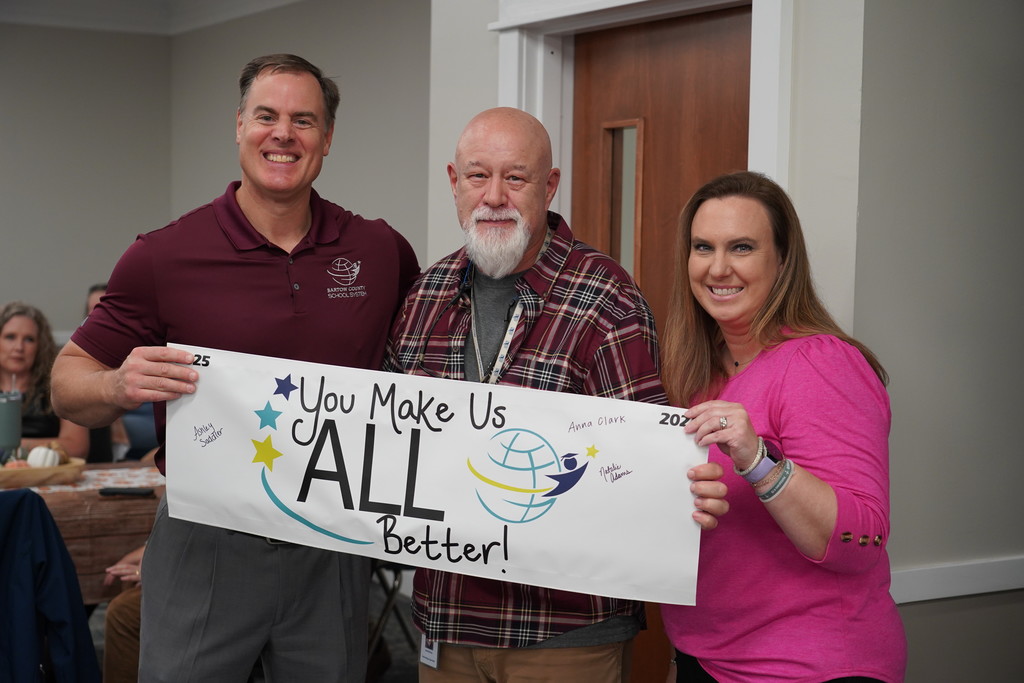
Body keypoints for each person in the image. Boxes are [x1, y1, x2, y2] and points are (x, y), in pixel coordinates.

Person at [51, 53, 420, 681]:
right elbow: (67, 381)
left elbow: (422, 362)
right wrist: (117, 383)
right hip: (205, 537)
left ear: (327, 139)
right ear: (239, 126)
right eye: (266, 116)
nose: (283, 134)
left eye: (304, 120)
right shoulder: (162, 257)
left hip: (331, 540)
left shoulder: (380, 251)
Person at [383, 107, 727, 682]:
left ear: (549, 185)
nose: (494, 196)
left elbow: (639, 468)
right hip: (444, 622)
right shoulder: (423, 296)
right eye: (477, 176)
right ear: (453, 181)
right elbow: (390, 440)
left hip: (565, 632)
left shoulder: (606, 298)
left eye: (515, 178)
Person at [658, 171, 906, 682]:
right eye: (703, 247)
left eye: (742, 247)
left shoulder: (822, 363)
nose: (718, 267)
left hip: (807, 666)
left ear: (783, 259)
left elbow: (859, 541)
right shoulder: (698, 375)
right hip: (707, 658)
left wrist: (757, 460)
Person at [0, 301, 88, 460]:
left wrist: (13, 447)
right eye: (10, 337)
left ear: (40, 346)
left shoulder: (61, 385)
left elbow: (77, 446)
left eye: (29, 339)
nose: (19, 347)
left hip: (48, 475)